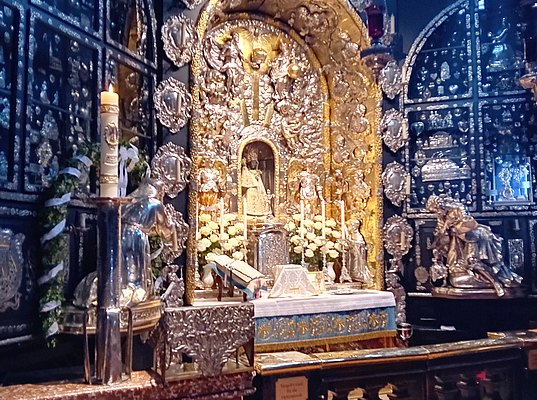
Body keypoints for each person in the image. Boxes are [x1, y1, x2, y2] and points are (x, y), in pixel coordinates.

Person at [426, 194, 522, 296]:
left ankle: (495, 282)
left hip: (472, 236)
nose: (438, 213)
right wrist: (443, 232)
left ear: (441, 206)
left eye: (437, 210)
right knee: (457, 271)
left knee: (473, 261)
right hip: (458, 241)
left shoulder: (457, 208)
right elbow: (441, 234)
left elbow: (467, 223)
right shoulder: (442, 216)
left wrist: (451, 225)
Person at [121, 178, 177, 305]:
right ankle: (135, 294)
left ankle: (122, 291)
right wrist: (172, 226)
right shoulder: (155, 204)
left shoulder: (130, 201)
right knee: (135, 269)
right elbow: (165, 229)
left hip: (120, 233)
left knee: (123, 266)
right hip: (136, 238)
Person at [241, 147, 271, 217]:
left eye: (254, 163)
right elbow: (246, 179)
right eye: (252, 163)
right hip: (250, 188)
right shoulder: (247, 171)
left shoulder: (257, 172)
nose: (253, 164)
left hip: (258, 188)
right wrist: (244, 166)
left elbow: (259, 182)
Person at [347, 220, 373, 285]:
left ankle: (357, 275)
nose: (350, 227)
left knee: (356, 264)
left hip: (358, 254)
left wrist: (351, 242)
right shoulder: (351, 234)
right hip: (352, 253)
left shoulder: (358, 235)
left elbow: (361, 243)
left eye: (351, 225)